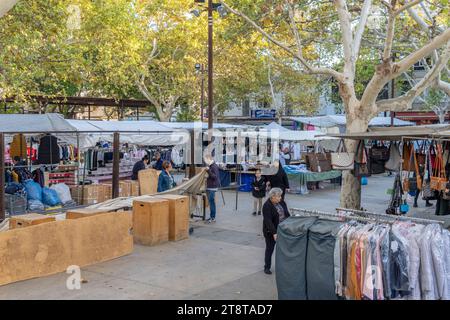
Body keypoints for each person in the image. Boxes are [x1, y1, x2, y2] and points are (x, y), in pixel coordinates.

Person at [262, 187, 290, 275]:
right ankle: (267, 267)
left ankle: (284, 266)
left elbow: (286, 213)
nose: (280, 198)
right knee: (270, 249)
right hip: (271, 231)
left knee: (284, 249)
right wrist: (274, 233)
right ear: (272, 197)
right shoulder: (267, 206)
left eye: (280, 196)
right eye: (278, 196)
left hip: (283, 229)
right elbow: (268, 221)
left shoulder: (282, 202)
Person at [204, 154, 220, 223]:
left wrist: (208, 171)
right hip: (210, 186)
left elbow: (215, 177)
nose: (205, 161)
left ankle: (212, 217)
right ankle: (212, 217)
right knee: (211, 202)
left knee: (211, 202)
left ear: (209, 159)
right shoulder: (211, 166)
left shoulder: (214, 166)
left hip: (212, 187)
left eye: (206, 159)